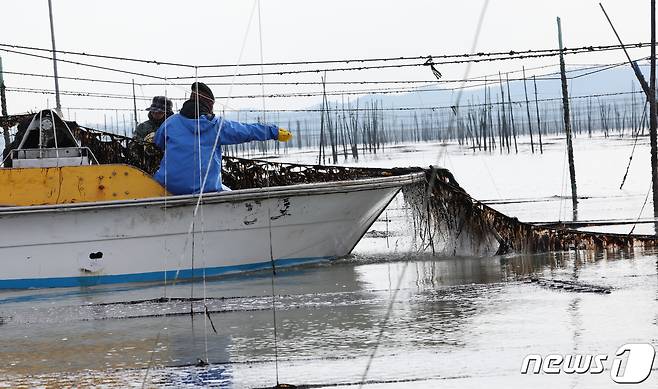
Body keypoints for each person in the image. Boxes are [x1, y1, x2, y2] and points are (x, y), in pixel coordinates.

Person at [153, 82, 292, 195]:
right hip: (206, 191)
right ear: (208, 105)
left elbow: (157, 143)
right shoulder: (216, 126)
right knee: (229, 194)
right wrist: (273, 132)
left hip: (166, 188)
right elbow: (246, 131)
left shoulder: (169, 123)